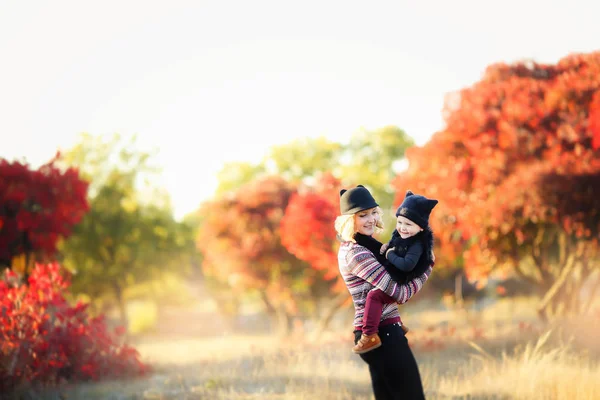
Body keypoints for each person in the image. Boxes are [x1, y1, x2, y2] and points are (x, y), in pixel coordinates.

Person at [335, 185, 433, 400]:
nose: (371, 219)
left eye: (373, 212)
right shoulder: (356, 252)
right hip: (380, 333)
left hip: (383, 331)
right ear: (349, 220)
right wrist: (426, 269)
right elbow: (399, 292)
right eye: (363, 215)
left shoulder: (369, 246)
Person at [352, 190, 438, 354]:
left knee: (374, 295)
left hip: (401, 278)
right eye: (400, 222)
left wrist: (390, 253)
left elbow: (406, 265)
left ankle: (370, 335)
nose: (402, 228)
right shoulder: (401, 235)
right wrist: (387, 248)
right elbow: (392, 247)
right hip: (394, 272)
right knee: (375, 267)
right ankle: (395, 322)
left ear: (420, 228)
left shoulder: (417, 245)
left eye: (408, 225)